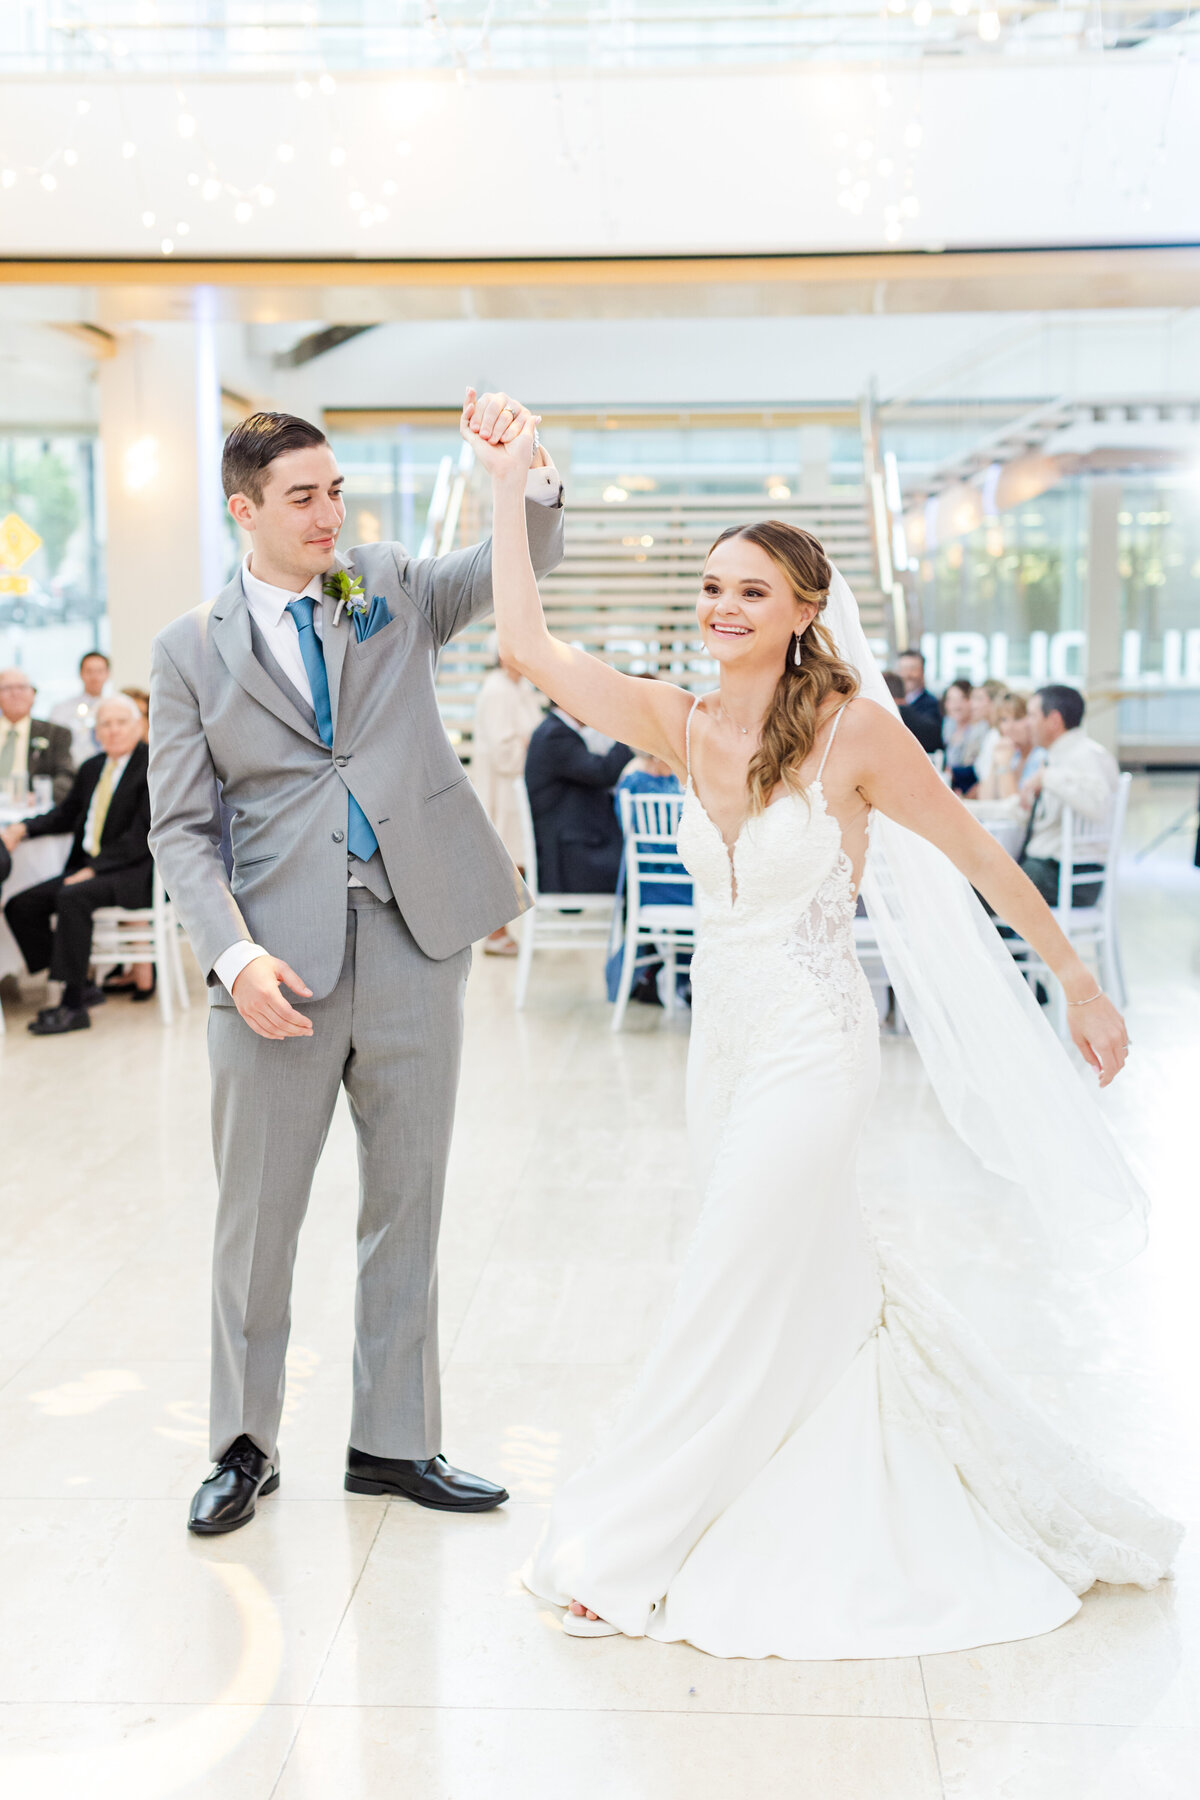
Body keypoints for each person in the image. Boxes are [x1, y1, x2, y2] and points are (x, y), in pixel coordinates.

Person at [464, 401, 1178, 1658]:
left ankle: (632, 1541)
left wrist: (1075, 974)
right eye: (711, 587)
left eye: (752, 590)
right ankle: (745, 1480)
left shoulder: (853, 728)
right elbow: (523, 642)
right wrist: (502, 483)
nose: (723, 607)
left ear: (805, 608)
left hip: (814, 1044)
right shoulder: (679, 724)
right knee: (782, 1277)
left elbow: (969, 853)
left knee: (724, 1272)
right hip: (724, 1051)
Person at [148, 397, 565, 1537]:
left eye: (335, 490)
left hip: (417, 938)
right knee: (258, 1219)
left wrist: (522, 471)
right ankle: (244, 1445)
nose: (331, 513)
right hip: (273, 965)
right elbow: (181, 832)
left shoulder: (382, 581)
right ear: (246, 510)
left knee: (408, 1200)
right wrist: (231, 958)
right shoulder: (187, 650)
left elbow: (518, 561)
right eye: (303, 498)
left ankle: (393, 1441)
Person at [1, 694, 152, 1034]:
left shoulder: (153, 765)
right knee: (20, 905)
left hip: (133, 872)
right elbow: (65, 815)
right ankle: (79, 982)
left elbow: (142, 835)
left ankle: (73, 1006)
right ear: (96, 732)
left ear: (139, 725)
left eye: (120, 723)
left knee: (73, 897)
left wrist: (93, 870)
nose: (112, 731)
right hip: (89, 866)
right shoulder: (93, 767)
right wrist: (24, 828)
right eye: (105, 724)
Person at [468, 643, 544, 956]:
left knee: (517, 860)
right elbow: (503, 752)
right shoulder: (496, 690)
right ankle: (496, 933)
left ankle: (503, 929)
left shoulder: (520, 687)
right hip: (501, 788)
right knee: (503, 861)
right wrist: (530, 745)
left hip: (518, 786)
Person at [1018, 685, 1119, 908]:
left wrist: (1047, 777)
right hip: (1053, 871)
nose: (1027, 723)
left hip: (1070, 877)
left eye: (1032, 715)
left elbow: (1098, 804)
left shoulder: (1085, 756)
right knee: (985, 878)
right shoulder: (1060, 756)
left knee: (980, 885)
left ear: (1054, 720)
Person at [523, 707, 631, 893]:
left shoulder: (552, 730)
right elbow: (602, 772)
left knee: (635, 859)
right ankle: (644, 920)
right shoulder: (555, 735)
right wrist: (629, 737)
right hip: (568, 861)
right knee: (638, 865)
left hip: (572, 849)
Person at [0, 668, 74, 804]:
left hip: (34, 812)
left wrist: (40, 796)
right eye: (7, 688)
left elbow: (66, 777)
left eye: (22, 687)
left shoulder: (56, 733)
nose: (15, 693)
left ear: (33, 695)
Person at [50, 650, 112, 764]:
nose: (94, 677)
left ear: (108, 674)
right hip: (74, 768)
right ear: (81, 673)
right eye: (89, 671)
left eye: (100, 671)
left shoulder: (115, 708)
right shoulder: (62, 709)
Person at [942, 677, 986, 793]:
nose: (956, 705)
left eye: (961, 699)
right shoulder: (948, 725)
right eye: (951, 700)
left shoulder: (980, 729)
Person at [895, 647, 942, 754]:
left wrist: (903, 708)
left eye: (913, 669)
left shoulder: (932, 704)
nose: (907, 674)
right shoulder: (889, 702)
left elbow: (931, 736)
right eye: (903, 669)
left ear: (922, 671)